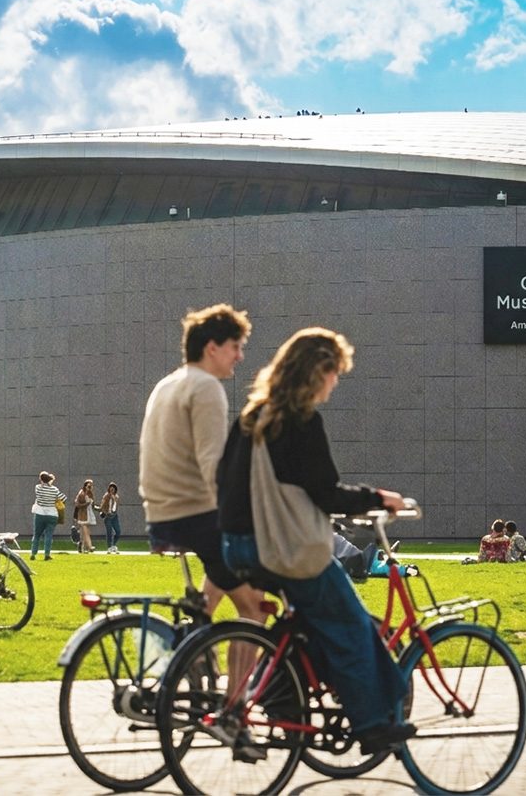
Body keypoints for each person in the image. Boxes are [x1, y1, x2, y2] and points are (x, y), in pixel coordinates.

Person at [217, 326, 415, 755]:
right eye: (333, 373)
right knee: (354, 627)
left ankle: (281, 692)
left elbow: (225, 482)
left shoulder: (252, 418)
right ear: (314, 373)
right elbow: (325, 492)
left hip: (238, 547)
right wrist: (381, 498)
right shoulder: (301, 421)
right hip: (286, 551)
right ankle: (372, 724)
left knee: (307, 624)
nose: (335, 381)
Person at [138, 303, 264, 624]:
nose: (240, 356)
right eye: (235, 347)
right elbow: (214, 467)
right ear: (212, 348)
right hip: (195, 514)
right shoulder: (207, 388)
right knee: (256, 605)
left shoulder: (167, 385)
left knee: (221, 578)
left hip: (163, 514)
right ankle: (238, 677)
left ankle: (197, 646)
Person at [30, 471, 67, 560]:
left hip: (40, 513)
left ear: (41, 479)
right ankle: (47, 554)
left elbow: (41, 488)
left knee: (37, 535)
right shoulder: (54, 489)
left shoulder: (38, 488)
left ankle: (33, 554)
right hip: (52, 514)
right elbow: (64, 498)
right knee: (48, 535)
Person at [73, 479, 98, 553]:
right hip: (82, 515)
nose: (90, 487)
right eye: (88, 486)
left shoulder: (91, 494)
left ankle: (81, 546)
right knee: (85, 531)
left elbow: (93, 504)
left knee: (86, 532)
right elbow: (77, 504)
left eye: (91, 486)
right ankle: (90, 547)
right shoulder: (81, 493)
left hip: (89, 514)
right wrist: (85, 505)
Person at [99, 482, 122, 554]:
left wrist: (114, 498)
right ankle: (109, 547)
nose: (112, 490)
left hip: (114, 515)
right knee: (109, 532)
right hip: (108, 516)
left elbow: (115, 506)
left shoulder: (116, 497)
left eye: (113, 489)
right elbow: (102, 505)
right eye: (111, 489)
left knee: (118, 531)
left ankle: (113, 545)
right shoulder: (106, 496)